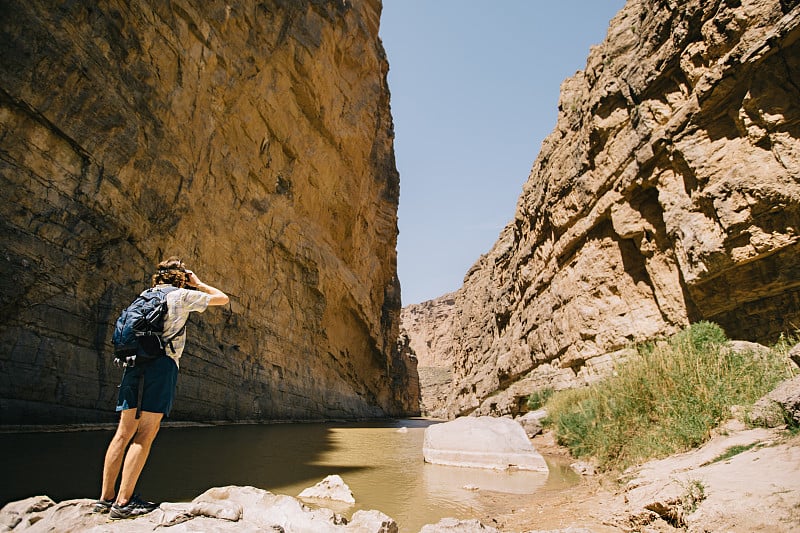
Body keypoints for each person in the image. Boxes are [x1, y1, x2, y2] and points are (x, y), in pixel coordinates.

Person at [93, 257, 229, 519]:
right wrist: (197, 283)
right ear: (180, 278)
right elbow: (222, 298)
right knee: (146, 432)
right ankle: (124, 502)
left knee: (123, 433)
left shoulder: (144, 296)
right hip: (161, 366)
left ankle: (105, 498)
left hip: (133, 365)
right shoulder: (181, 296)